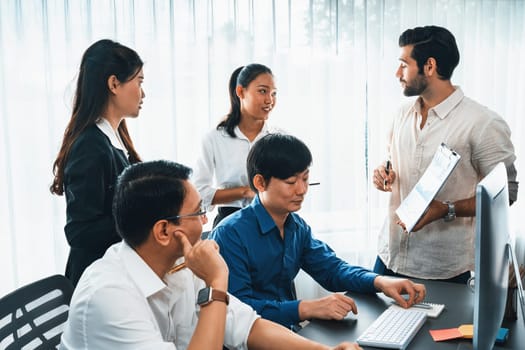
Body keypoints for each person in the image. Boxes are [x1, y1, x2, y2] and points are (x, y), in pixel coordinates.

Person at [59, 159, 360, 350]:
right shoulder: (109, 295)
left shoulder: (178, 263)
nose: (205, 222)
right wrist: (217, 280)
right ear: (164, 231)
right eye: (198, 212)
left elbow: (245, 325)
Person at [211, 134, 426, 330]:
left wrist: (380, 282)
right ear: (260, 182)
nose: (302, 190)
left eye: (305, 179)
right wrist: (307, 308)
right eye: (291, 182)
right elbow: (236, 309)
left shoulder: (297, 227)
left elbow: (332, 270)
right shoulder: (230, 235)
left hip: (289, 334)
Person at [372, 25, 518, 283]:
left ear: (429, 66)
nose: (397, 73)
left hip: (443, 269)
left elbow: (506, 194)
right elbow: (391, 162)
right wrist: (383, 174)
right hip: (388, 258)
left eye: (403, 64)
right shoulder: (401, 114)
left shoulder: (483, 123)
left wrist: (446, 209)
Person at [50, 39, 144, 286]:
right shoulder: (90, 145)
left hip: (115, 273)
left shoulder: (115, 137)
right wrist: (146, 216)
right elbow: (80, 233)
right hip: (97, 282)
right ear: (114, 84)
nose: (143, 92)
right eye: (139, 81)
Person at [193, 63, 281, 228]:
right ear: (240, 92)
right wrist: (244, 192)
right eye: (263, 91)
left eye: (274, 93)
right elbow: (199, 193)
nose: (270, 100)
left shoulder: (280, 138)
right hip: (229, 222)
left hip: (273, 220)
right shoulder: (215, 138)